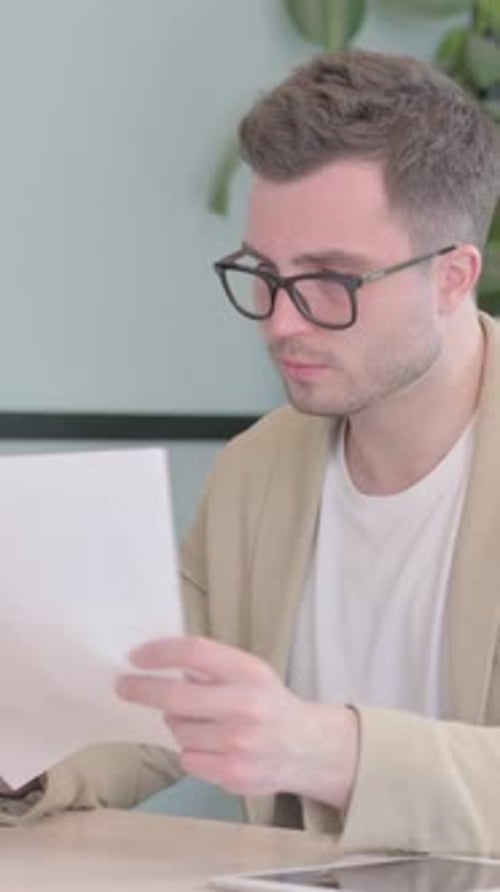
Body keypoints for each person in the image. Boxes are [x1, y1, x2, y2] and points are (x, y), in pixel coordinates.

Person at [2, 48, 500, 856]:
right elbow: (162, 709)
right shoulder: (257, 470)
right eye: (263, 272)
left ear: (451, 277)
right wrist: (17, 756)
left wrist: (328, 749)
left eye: (331, 279)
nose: (279, 321)